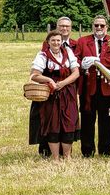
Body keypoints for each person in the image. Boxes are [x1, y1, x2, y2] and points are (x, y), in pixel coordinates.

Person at [29, 30, 80, 160]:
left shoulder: (68, 52)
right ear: (48, 42)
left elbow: (76, 73)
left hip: (68, 93)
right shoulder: (43, 55)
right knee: (53, 124)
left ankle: (67, 156)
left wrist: (63, 83)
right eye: (53, 40)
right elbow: (34, 75)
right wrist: (49, 80)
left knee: (69, 122)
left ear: (61, 41)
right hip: (51, 95)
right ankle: (55, 158)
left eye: (58, 40)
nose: (56, 43)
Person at [75, 15, 110, 157]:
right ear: (92, 26)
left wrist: (98, 61)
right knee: (87, 119)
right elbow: (76, 58)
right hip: (88, 86)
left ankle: (105, 150)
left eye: (102, 25)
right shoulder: (82, 41)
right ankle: (87, 151)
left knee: (106, 119)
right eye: (96, 25)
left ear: (107, 27)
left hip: (107, 85)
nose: (99, 28)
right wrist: (81, 63)